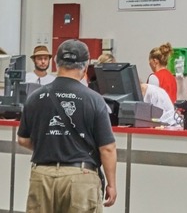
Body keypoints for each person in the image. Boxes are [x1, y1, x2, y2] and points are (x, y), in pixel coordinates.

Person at [17, 39, 118, 211]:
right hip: (81, 178)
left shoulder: (34, 97)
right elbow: (107, 148)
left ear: (55, 62)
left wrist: (49, 146)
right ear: (86, 67)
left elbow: (23, 139)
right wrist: (111, 184)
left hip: (42, 176)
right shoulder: (94, 100)